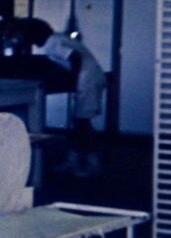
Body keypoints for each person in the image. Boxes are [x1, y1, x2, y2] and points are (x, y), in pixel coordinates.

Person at [18, 17, 106, 176]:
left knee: (82, 122)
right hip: (88, 78)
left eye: (27, 37)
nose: (28, 41)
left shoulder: (52, 43)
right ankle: (75, 159)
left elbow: (75, 58)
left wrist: (72, 81)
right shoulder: (55, 40)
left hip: (87, 79)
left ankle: (92, 163)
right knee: (80, 121)